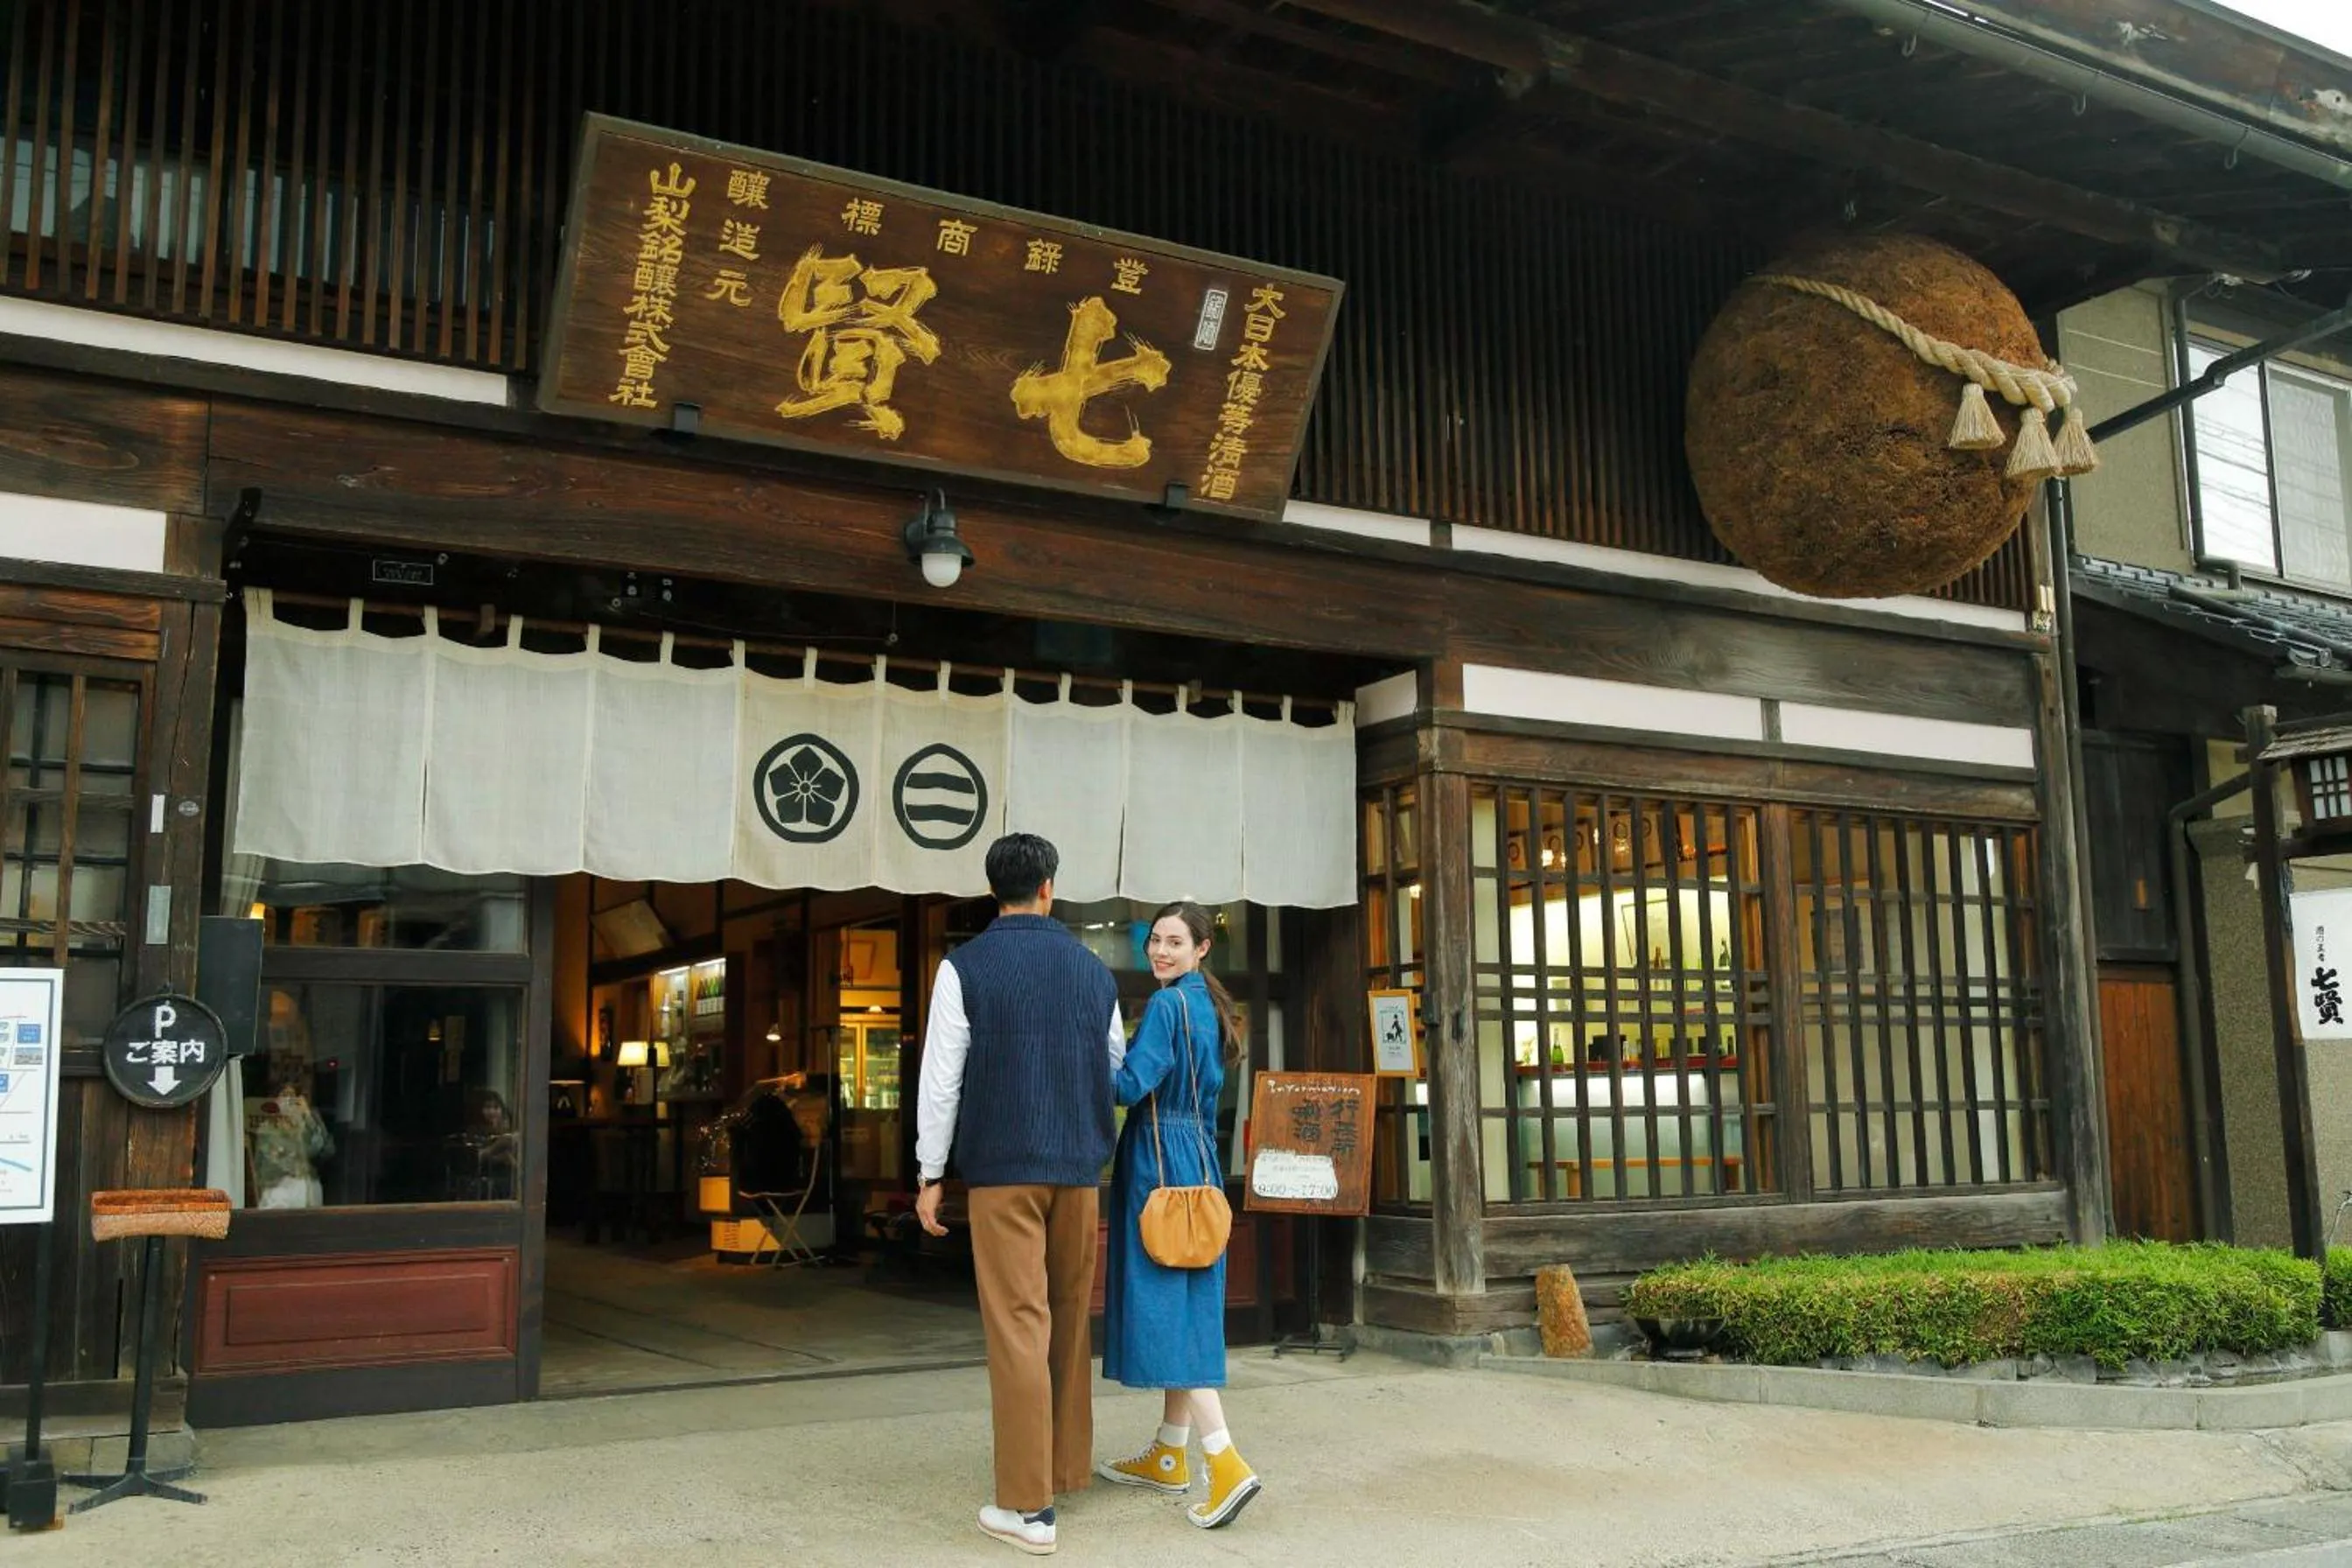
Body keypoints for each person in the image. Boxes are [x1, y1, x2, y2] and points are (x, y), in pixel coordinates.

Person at [914, 833, 1126, 1557]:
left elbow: (941, 1079)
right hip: (1079, 1169)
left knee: (1016, 1326)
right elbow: (1113, 1065)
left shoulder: (963, 968)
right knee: (1068, 1319)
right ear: (1049, 889)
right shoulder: (1093, 973)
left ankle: (1028, 1507)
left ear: (992, 891)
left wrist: (928, 1173)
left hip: (1003, 1168)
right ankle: (1063, 1468)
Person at [1096, 900, 1263, 1530]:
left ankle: (1224, 1462)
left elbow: (1127, 1087)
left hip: (1157, 1164)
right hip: (1197, 1160)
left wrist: (1093, 1048)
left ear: (1200, 949)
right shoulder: (1208, 1005)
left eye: (1173, 942)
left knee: (1168, 1308)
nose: (1160, 952)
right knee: (1186, 1299)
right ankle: (1170, 1453)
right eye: (1154, 942)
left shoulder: (1166, 1006)